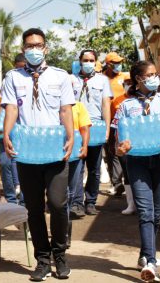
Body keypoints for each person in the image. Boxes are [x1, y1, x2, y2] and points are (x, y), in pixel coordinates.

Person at [2, 28, 75, 281]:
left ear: (45, 48)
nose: (34, 49)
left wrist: (72, 137)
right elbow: (11, 108)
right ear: (23, 49)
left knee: (57, 204)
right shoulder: (13, 77)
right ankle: (42, 260)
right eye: (30, 45)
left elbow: (66, 110)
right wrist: (7, 134)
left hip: (55, 150)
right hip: (27, 152)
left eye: (39, 45)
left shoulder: (61, 76)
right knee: (33, 207)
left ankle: (60, 255)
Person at [113, 60, 160, 283]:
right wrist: (121, 149)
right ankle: (152, 263)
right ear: (138, 79)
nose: (156, 78)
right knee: (145, 211)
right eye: (150, 74)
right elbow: (119, 143)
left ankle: (144, 254)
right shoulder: (126, 106)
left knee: (155, 213)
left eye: (156, 74)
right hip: (136, 163)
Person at [70, 49, 112, 218]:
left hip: (96, 127)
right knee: (77, 167)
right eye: (85, 60)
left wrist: (107, 128)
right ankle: (77, 203)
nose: (88, 63)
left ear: (95, 62)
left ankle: (91, 202)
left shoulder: (103, 80)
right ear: (80, 61)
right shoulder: (70, 80)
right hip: (76, 128)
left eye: (91, 60)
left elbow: (105, 105)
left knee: (94, 168)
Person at [0, 53, 27, 205]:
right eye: (18, 67)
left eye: (23, 68)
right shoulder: (8, 80)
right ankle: (11, 198)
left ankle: (24, 200)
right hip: (4, 130)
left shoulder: (32, 81)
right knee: (5, 163)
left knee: (21, 163)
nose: (21, 70)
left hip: (23, 131)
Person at [102, 52, 131, 196]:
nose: (119, 65)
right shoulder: (102, 79)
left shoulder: (125, 77)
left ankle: (128, 182)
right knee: (112, 153)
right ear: (108, 64)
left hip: (126, 122)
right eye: (115, 62)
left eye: (120, 62)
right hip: (110, 123)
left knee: (126, 152)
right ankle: (117, 184)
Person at [67, 75, 91, 222]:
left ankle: (72, 207)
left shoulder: (79, 106)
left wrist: (84, 146)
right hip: (56, 153)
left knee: (74, 183)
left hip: (75, 151)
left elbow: (85, 129)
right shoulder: (51, 106)